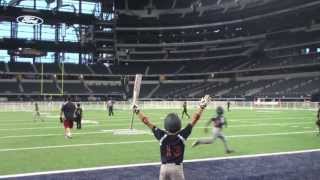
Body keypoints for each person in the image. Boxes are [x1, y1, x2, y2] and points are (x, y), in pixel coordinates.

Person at [133, 95, 211, 180]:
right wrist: (201, 107)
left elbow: (146, 121)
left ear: (166, 126)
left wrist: (137, 112)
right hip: (177, 169)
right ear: (179, 125)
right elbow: (195, 119)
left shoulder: (161, 135)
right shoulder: (182, 135)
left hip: (164, 168)